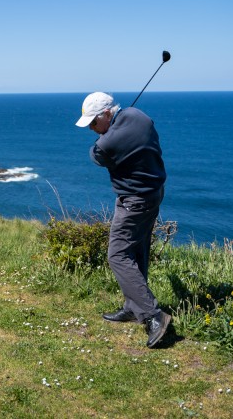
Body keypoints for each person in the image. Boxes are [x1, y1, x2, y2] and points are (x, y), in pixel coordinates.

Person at [76, 91, 171, 348]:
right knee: (138, 250)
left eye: (94, 123)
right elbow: (129, 125)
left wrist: (107, 135)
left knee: (118, 255)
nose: (93, 129)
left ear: (107, 114)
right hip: (154, 193)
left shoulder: (106, 143)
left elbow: (96, 155)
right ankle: (133, 307)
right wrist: (112, 128)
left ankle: (153, 315)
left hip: (133, 200)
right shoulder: (138, 116)